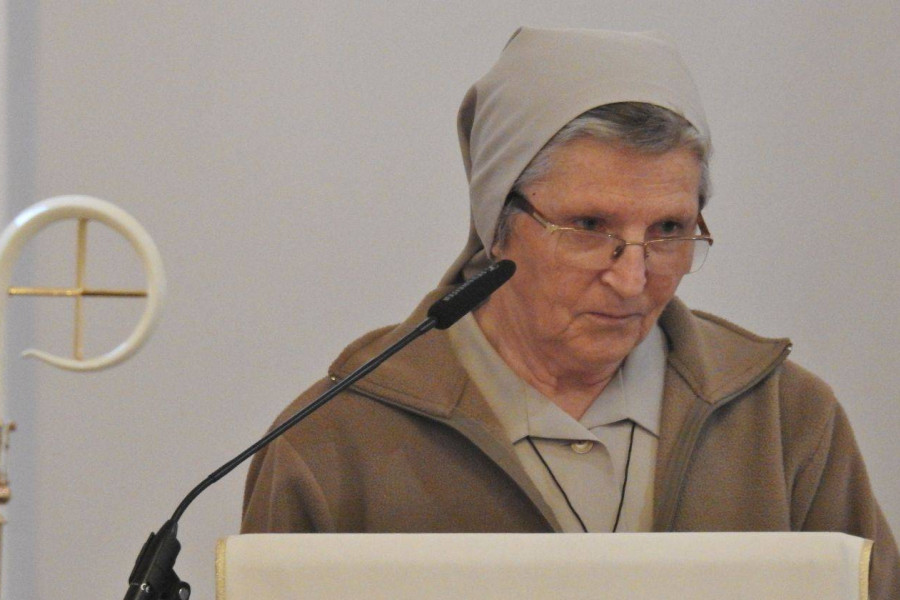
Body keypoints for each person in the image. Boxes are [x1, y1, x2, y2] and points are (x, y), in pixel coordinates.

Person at [241, 27, 900, 597]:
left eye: (669, 229)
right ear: (498, 224)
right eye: (588, 226)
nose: (633, 279)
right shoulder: (335, 440)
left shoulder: (785, 422)